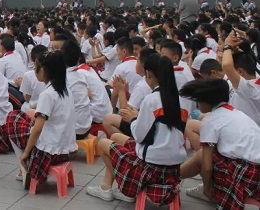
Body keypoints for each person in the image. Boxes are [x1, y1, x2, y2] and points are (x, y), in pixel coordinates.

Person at [87, 54, 187, 205]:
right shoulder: (180, 99)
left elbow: (139, 136)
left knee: (103, 143)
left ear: (149, 74)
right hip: (172, 168)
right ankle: (106, 186)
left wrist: (134, 118)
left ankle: (125, 189)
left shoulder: (151, 100)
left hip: (150, 168)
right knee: (115, 138)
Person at [178, 79, 260, 208]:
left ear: (207, 101)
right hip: (254, 172)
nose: (198, 105)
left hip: (248, 175)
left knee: (202, 155)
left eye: (199, 101)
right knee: (211, 152)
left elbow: (206, 166)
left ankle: (171, 178)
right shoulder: (237, 113)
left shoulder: (211, 121)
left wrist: (207, 187)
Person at [5, 51, 76, 187]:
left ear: (43, 70)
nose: (34, 70)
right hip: (65, 149)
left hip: (49, 152)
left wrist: (26, 153)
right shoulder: (66, 90)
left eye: (35, 67)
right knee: (26, 117)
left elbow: (37, 129)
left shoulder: (47, 94)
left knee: (12, 118)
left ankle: (25, 164)